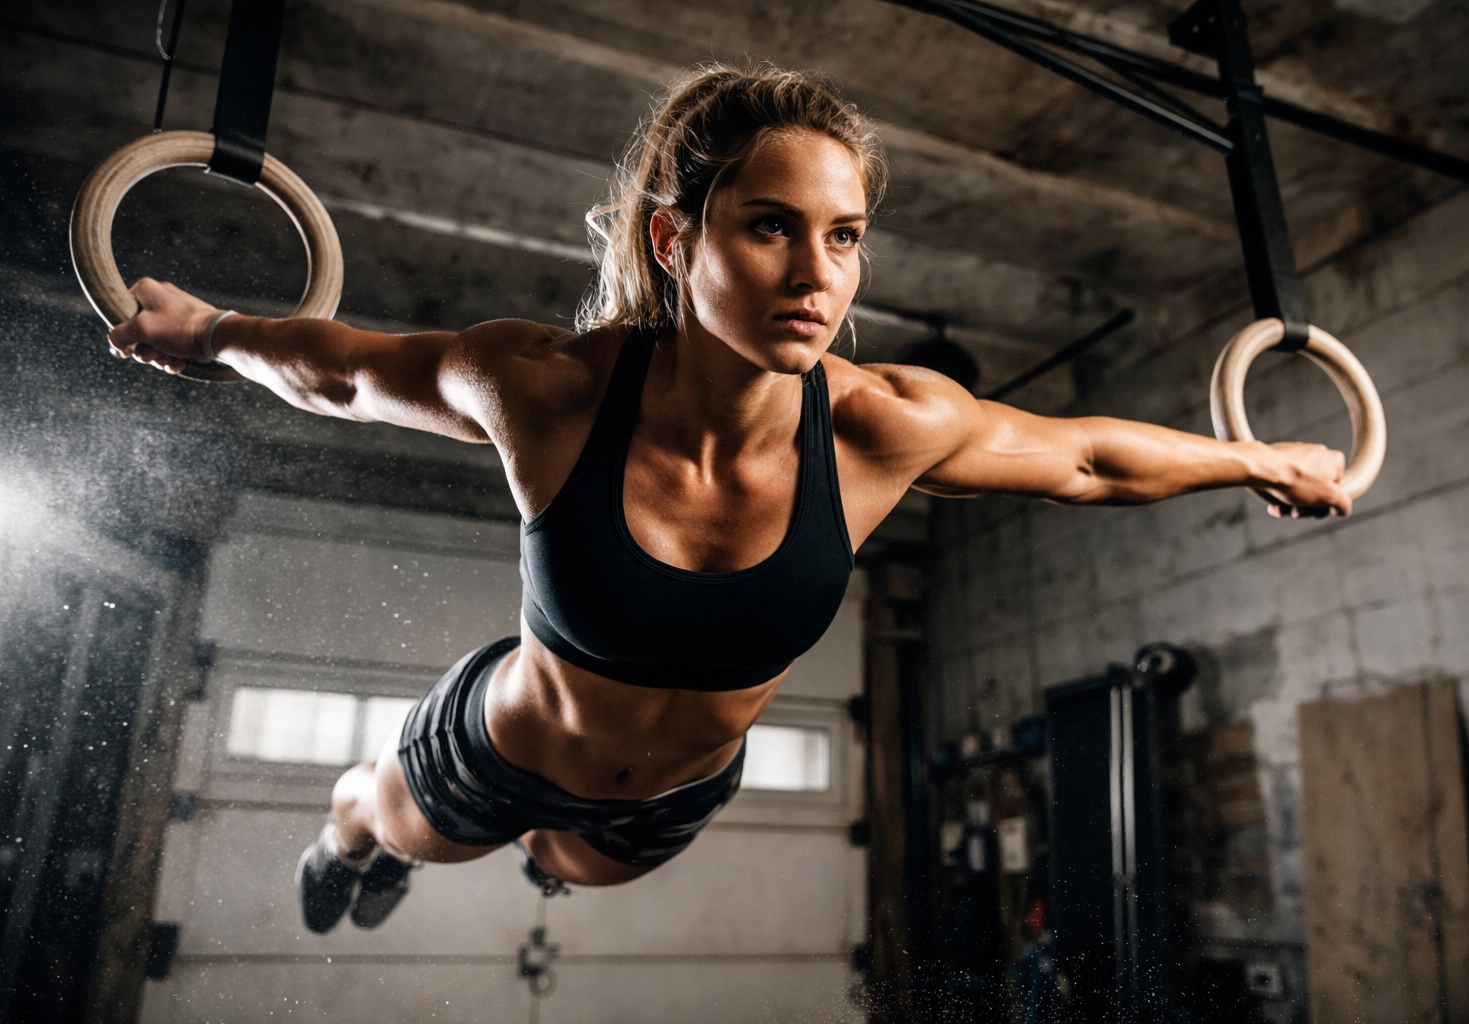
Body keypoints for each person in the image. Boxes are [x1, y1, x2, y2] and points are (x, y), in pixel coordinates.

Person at [105, 62, 1350, 933]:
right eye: (770, 227)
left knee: (576, 874)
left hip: (672, 794)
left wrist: (1260, 461)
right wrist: (209, 327)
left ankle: (538, 853)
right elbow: (339, 374)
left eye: (846, 235)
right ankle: (345, 840)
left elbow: (1087, 458)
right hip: (504, 746)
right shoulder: (544, 387)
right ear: (671, 240)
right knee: (394, 825)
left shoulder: (878, 427)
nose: (818, 274)